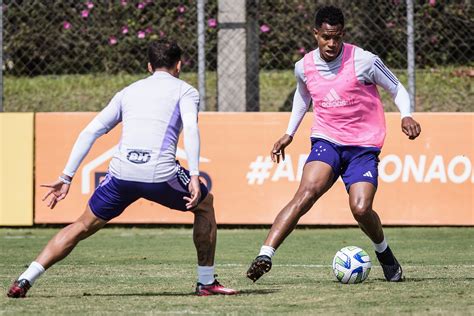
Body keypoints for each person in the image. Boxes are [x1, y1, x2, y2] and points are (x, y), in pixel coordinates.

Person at [7, 39, 237, 298]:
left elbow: (91, 131)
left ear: (149, 66)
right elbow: (192, 131)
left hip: (121, 174)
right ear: (179, 65)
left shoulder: (127, 92)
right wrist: (194, 175)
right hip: (160, 173)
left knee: (82, 225)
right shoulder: (186, 91)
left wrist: (66, 176)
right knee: (205, 206)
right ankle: (206, 282)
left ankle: (25, 279)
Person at [247, 6, 421, 283]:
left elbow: (396, 88)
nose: (331, 43)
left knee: (361, 209)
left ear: (343, 35)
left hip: (363, 146)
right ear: (315, 33)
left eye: (337, 37)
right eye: (326, 37)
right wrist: (289, 133)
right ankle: (265, 255)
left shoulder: (364, 61)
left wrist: (407, 115)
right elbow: (303, 97)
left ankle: (384, 254)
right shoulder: (303, 66)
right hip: (327, 140)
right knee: (306, 193)